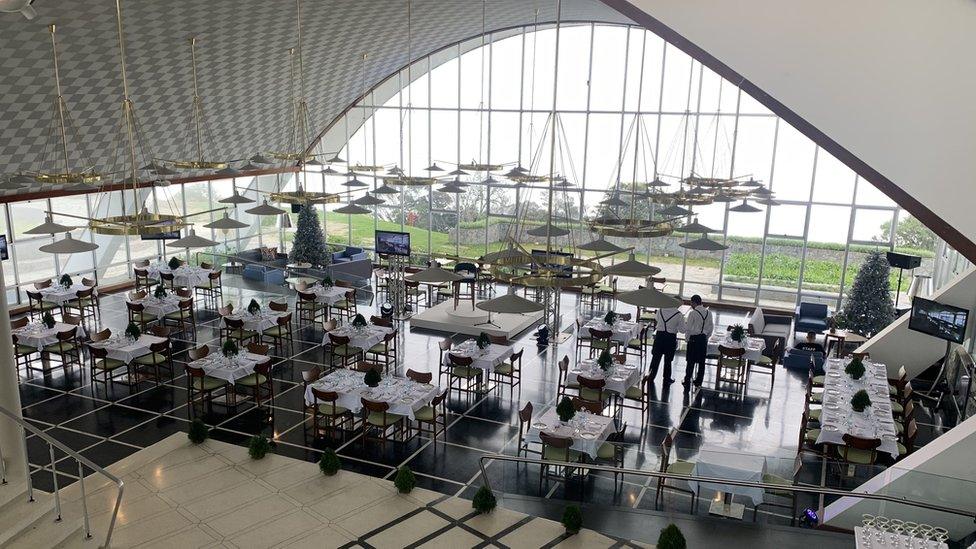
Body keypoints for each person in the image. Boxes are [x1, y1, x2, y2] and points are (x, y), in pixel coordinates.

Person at [649, 300, 685, 383]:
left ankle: (650, 377)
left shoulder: (660, 310)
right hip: (670, 338)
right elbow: (682, 330)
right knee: (668, 360)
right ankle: (666, 378)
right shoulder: (679, 315)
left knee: (655, 358)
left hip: (659, 336)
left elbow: (657, 319)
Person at [683, 295, 713, 389]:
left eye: (691, 303)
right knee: (701, 362)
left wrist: (687, 339)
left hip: (693, 339)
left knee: (690, 361)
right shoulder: (709, 313)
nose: (691, 305)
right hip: (703, 339)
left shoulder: (693, 313)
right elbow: (711, 327)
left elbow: (688, 328)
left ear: (694, 303)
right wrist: (706, 337)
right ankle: (698, 381)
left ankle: (687, 380)